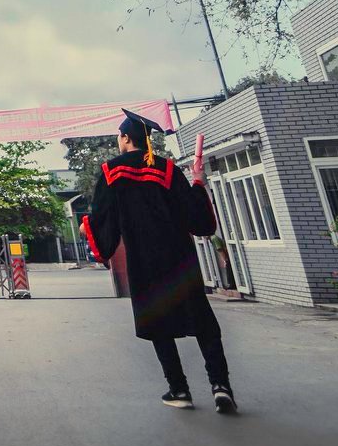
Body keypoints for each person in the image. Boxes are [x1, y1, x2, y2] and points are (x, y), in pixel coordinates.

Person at [80, 109, 237, 414]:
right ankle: (221, 386)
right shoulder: (166, 169)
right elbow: (197, 218)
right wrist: (198, 182)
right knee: (202, 321)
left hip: (144, 260)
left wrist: (95, 237)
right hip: (179, 258)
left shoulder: (111, 172)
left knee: (158, 323)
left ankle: (179, 389)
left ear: (126, 139)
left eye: (119, 136)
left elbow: (101, 217)